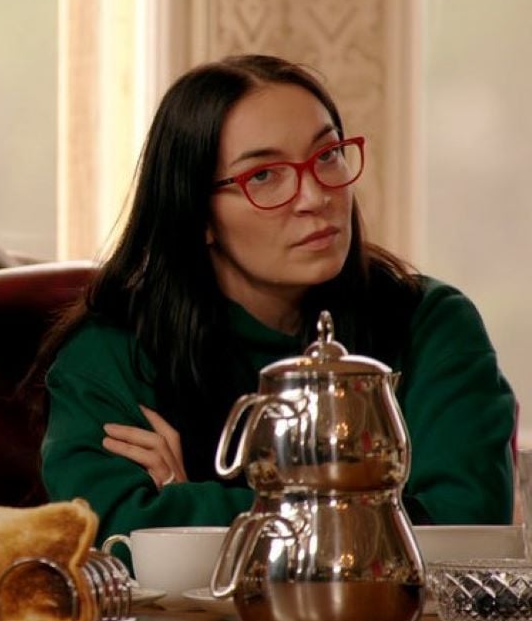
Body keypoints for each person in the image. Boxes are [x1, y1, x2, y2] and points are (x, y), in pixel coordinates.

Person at [36, 54, 516, 548]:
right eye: (264, 176)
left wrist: (187, 507)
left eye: (327, 156)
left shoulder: (430, 324)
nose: (314, 196)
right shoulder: (112, 351)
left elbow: (463, 531)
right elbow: (109, 539)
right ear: (196, 213)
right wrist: (372, 509)